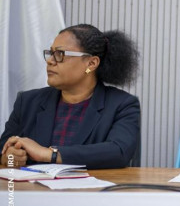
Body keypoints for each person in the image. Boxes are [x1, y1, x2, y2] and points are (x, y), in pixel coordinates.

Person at [1, 24, 140, 169]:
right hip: (33, 184)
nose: (50, 61)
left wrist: (49, 154)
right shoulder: (27, 102)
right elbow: (3, 149)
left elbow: (118, 152)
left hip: (92, 184)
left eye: (60, 54)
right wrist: (10, 157)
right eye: (51, 53)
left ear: (91, 63)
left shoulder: (122, 105)